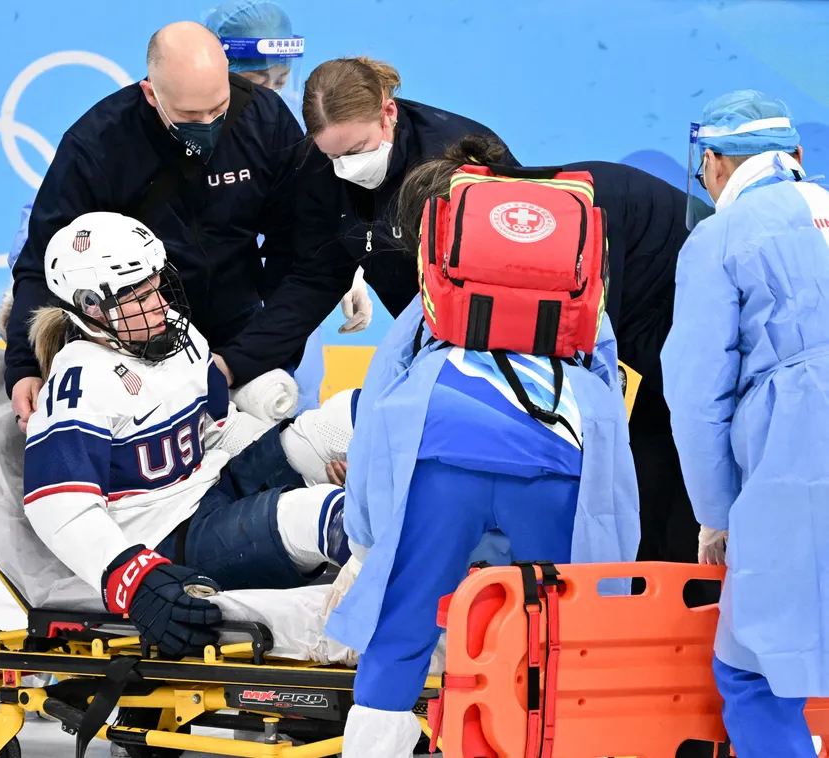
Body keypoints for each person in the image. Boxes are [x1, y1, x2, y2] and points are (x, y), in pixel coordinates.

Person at [324, 167, 640, 757]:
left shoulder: (441, 297)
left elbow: (381, 403)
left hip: (442, 452)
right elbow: (607, 407)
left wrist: (365, 544)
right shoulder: (580, 296)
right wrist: (615, 569)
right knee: (563, 638)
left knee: (402, 627)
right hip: (556, 456)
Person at [23, 211, 354, 657]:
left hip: (215, 486)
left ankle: (444, 518)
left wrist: (292, 461)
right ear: (90, 307)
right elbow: (56, 503)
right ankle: (428, 592)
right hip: (169, 535)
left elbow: (220, 430)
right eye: (138, 295)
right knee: (324, 512)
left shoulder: (175, 335)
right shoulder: (79, 381)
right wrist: (131, 578)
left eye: (157, 284)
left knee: (344, 417)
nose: (160, 304)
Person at [391, 135, 704, 595]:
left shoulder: (564, 222)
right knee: (652, 464)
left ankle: (681, 603)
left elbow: (586, 354)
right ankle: (653, 598)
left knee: (677, 460)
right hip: (651, 315)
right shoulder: (526, 219)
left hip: (688, 311)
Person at [3, 21, 304, 432]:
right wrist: (24, 366)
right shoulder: (97, 145)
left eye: (218, 109)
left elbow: (301, 248)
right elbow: (41, 265)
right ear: (151, 93)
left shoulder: (263, 119)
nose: (208, 125)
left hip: (239, 327)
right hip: (133, 345)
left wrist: (252, 356)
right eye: (189, 115)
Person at [662, 90, 825, 758]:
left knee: (751, 666)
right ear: (793, 154)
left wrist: (717, 515)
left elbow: (698, 396)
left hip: (800, 448)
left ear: (714, 165)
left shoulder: (719, 237)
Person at [213, 57, 515, 391]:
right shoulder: (316, 168)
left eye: (358, 149)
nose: (347, 168)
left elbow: (514, 270)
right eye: (333, 156)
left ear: (388, 114)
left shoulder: (457, 160)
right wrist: (234, 363)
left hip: (495, 336)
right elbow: (314, 279)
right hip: (423, 335)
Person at [201, 0, 373, 414]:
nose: (270, 93)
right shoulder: (172, 122)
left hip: (281, 296)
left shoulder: (287, 124)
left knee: (295, 409)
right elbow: (84, 198)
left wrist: (348, 266)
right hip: (208, 299)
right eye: (257, 81)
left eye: (280, 80)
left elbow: (317, 208)